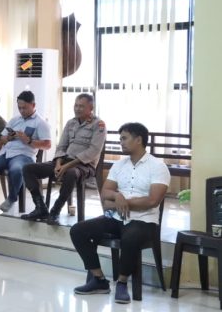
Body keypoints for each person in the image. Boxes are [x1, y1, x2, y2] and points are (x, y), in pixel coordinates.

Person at [69, 122, 169, 304]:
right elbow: (105, 193)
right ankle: (99, 279)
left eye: (124, 138)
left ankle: (122, 282)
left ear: (138, 140)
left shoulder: (158, 166)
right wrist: (117, 196)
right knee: (78, 230)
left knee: (130, 237)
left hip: (144, 221)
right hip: (116, 218)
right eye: (120, 139)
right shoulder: (119, 165)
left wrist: (120, 203)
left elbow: (152, 201)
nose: (120, 142)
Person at [21, 94, 106, 224]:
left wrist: (66, 167)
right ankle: (40, 208)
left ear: (91, 108)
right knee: (28, 169)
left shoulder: (98, 125)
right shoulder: (71, 123)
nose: (77, 109)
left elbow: (93, 151)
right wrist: (58, 164)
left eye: (81, 106)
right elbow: (61, 146)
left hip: (84, 165)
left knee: (71, 173)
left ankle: (56, 210)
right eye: (76, 105)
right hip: (63, 161)